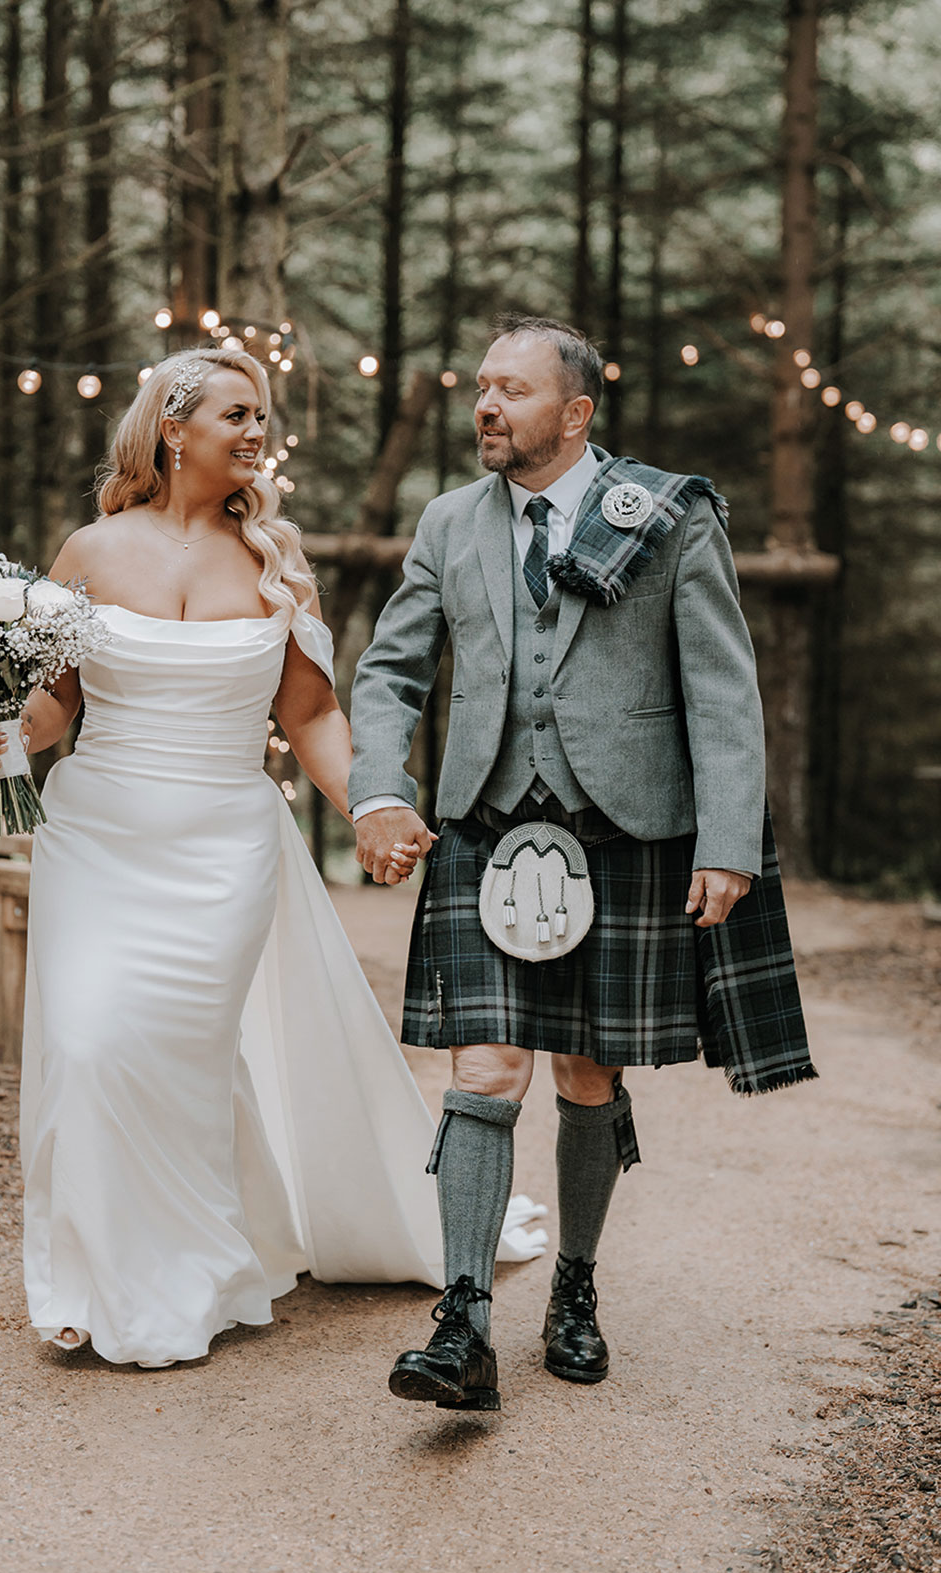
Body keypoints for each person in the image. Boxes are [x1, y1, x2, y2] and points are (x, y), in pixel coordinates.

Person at [0, 347, 543, 1370]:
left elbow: (313, 714)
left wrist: (375, 803)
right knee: (96, 1044)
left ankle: (195, 1273)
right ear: (173, 428)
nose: (254, 432)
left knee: (183, 1058)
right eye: (236, 413)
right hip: (97, 836)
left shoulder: (274, 560)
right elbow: (57, 700)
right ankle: (92, 1278)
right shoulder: (89, 551)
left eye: (261, 416)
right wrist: (6, 730)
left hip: (225, 843)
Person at [348, 313, 816, 1412]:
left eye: (512, 388)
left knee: (587, 1074)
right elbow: (391, 671)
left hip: (624, 830)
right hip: (483, 827)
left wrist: (728, 842)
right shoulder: (451, 521)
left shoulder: (665, 514)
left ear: (576, 411)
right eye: (481, 386)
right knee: (484, 1070)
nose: (486, 405)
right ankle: (462, 1319)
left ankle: (574, 1286)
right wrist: (379, 786)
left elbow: (722, 688)